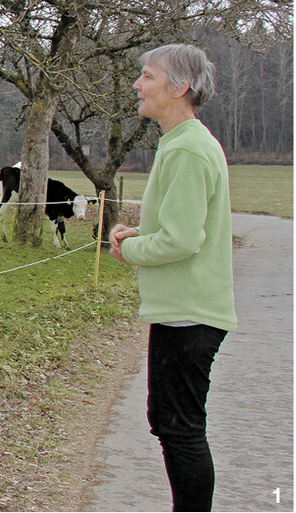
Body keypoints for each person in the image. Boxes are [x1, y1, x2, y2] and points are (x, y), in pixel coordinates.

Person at [109, 43, 237, 512]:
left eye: (147, 76)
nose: (138, 86)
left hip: (189, 316)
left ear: (179, 87)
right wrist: (142, 232)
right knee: (170, 424)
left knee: (181, 430)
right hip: (182, 312)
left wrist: (131, 248)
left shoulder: (188, 148)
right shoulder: (183, 143)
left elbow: (183, 241)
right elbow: (184, 224)